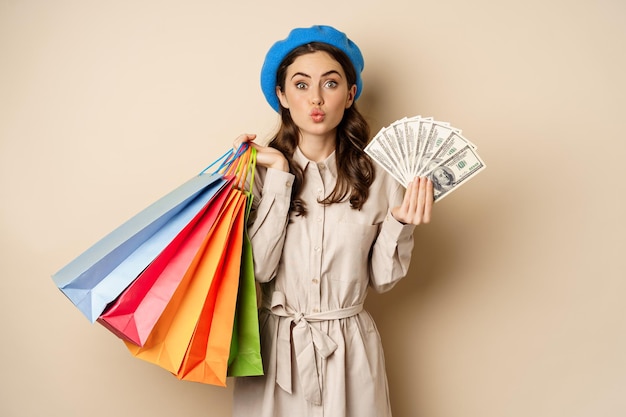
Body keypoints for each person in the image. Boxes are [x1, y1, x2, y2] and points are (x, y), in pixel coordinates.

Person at [232, 25, 434, 417]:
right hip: (277, 351)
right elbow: (259, 271)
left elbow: (383, 279)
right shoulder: (256, 172)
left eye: (331, 83)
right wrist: (277, 177)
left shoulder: (382, 174)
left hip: (350, 348)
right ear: (282, 96)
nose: (317, 99)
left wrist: (399, 223)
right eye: (302, 84)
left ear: (351, 93)